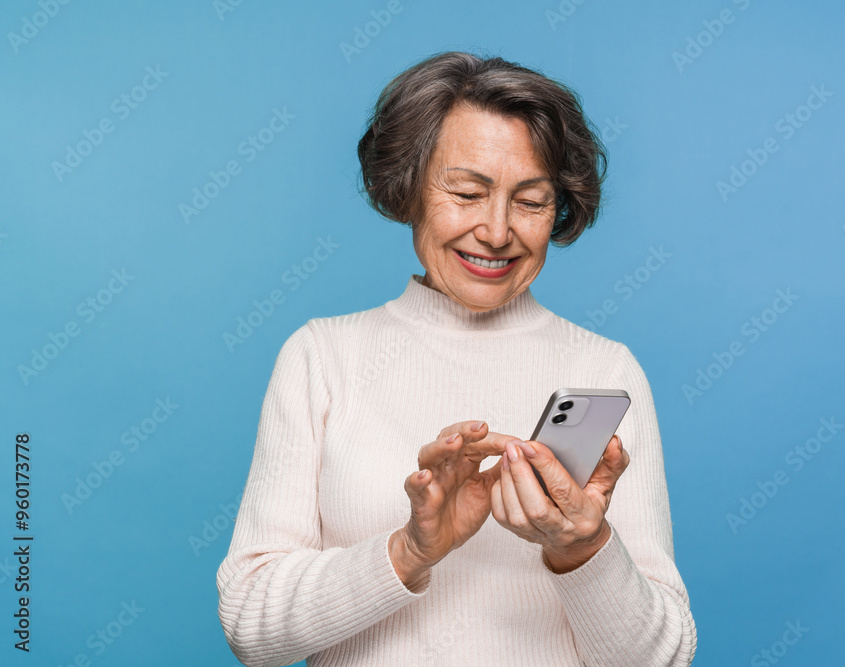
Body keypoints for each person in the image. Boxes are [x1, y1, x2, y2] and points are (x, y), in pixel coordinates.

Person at [216, 50, 696, 666]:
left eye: (530, 201)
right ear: (409, 189)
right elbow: (250, 632)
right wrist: (411, 551)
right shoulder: (321, 358)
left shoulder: (606, 371)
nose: (496, 231)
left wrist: (583, 548)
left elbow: (664, 659)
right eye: (468, 192)